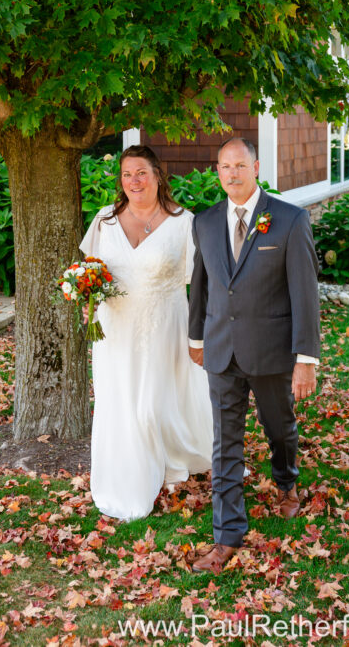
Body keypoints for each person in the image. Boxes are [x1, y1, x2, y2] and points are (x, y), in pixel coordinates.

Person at [188, 137, 320, 573]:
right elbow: (202, 286)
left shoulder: (289, 220)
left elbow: (305, 295)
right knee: (225, 444)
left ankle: (286, 481)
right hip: (221, 352)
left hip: (272, 352)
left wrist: (306, 359)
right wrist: (196, 339)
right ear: (218, 172)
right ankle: (227, 535)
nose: (232, 174)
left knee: (279, 427)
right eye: (224, 167)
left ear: (256, 167)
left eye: (240, 165)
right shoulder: (205, 223)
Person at [80, 145, 213, 521]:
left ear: (157, 175)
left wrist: (198, 334)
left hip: (163, 326)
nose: (134, 181)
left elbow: (198, 282)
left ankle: (167, 460)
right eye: (127, 174)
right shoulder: (105, 220)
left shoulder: (184, 222)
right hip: (114, 330)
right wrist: (84, 289)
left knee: (151, 405)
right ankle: (130, 474)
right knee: (117, 399)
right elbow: (90, 269)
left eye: (141, 172)